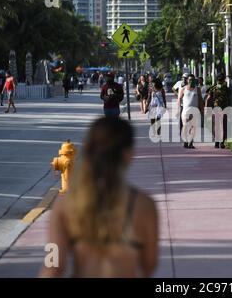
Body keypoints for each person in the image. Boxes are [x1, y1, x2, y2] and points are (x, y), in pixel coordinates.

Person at [40, 117, 158, 278]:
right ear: (129, 154)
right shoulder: (143, 205)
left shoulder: (64, 205)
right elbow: (149, 264)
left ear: (88, 150)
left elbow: (52, 266)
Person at [206, 73, 231, 149]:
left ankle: (216, 142)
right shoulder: (226, 88)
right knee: (223, 126)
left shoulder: (213, 88)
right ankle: (222, 143)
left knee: (216, 126)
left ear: (217, 80)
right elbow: (230, 97)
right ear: (223, 80)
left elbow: (208, 99)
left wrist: (207, 109)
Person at [178, 74, 204, 149]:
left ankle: (191, 142)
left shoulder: (197, 89)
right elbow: (179, 99)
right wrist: (178, 109)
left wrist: (202, 109)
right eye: (189, 79)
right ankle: (186, 141)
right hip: (185, 111)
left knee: (193, 127)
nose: (191, 81)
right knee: (186, 126)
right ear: (187, 80)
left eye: (192, 79)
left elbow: (200, 100)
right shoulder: (183, 89)